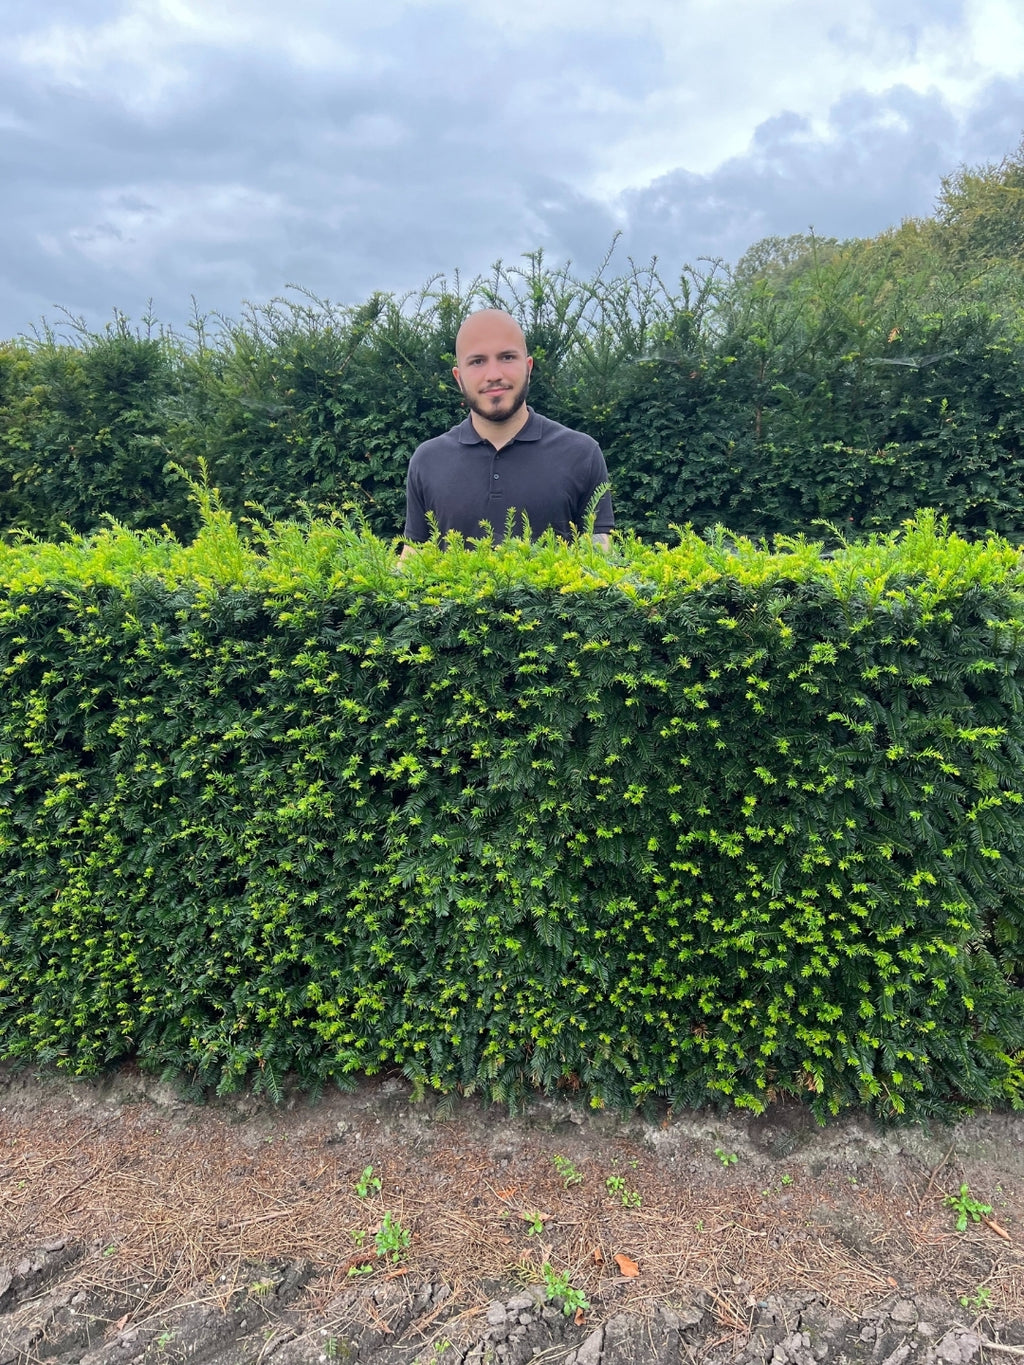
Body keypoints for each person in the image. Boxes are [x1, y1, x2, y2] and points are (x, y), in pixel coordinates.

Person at [402, 309, 613, 553]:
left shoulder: (581, 454)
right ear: (459, 378)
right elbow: (413, 560)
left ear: (528, 367)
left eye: (507, 357)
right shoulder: (428, 460)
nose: (494, 374)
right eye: (477, 361)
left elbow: (601, 563)